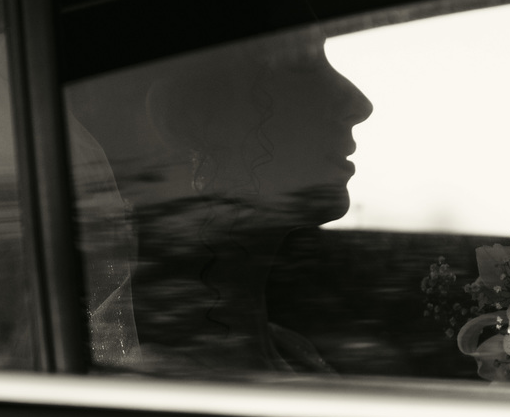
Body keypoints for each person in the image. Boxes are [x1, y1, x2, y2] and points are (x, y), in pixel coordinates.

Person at [67, 27, 373, 373]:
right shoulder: (160, 386)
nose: (360, 104)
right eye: (300, 58)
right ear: (187, 116)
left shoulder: (291, 349)